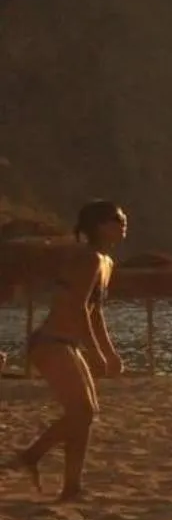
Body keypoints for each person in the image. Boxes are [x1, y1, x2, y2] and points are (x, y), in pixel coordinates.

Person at [13, 200, 127, 501]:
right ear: (100, 225)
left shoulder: (106, 263)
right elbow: (77, 307)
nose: (124, 224)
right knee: (83, 412)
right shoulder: (88, 258)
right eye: (118, 220)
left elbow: (96, 312)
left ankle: (71, 486)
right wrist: (96, 352)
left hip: (68, 344)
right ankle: (30, 456)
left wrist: (110, 352)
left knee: (85, 415)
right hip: (51, 342)